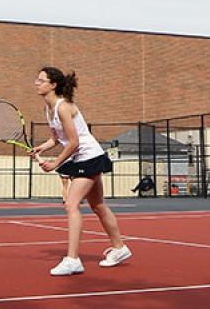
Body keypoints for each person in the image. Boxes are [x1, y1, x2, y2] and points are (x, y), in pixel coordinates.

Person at [29, 66, 131, 276]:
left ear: (53, 85)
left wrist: (55, 163)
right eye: (37, 80)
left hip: (88, 156)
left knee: (72, 204)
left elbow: (74, 142)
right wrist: (42, 147)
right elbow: (58, 138)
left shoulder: (64, 107)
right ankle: (120, 248)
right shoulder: (48, 109)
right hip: (84, 156)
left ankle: (73, 259)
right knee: (98, 205)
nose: (36, 83)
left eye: (41, 80)